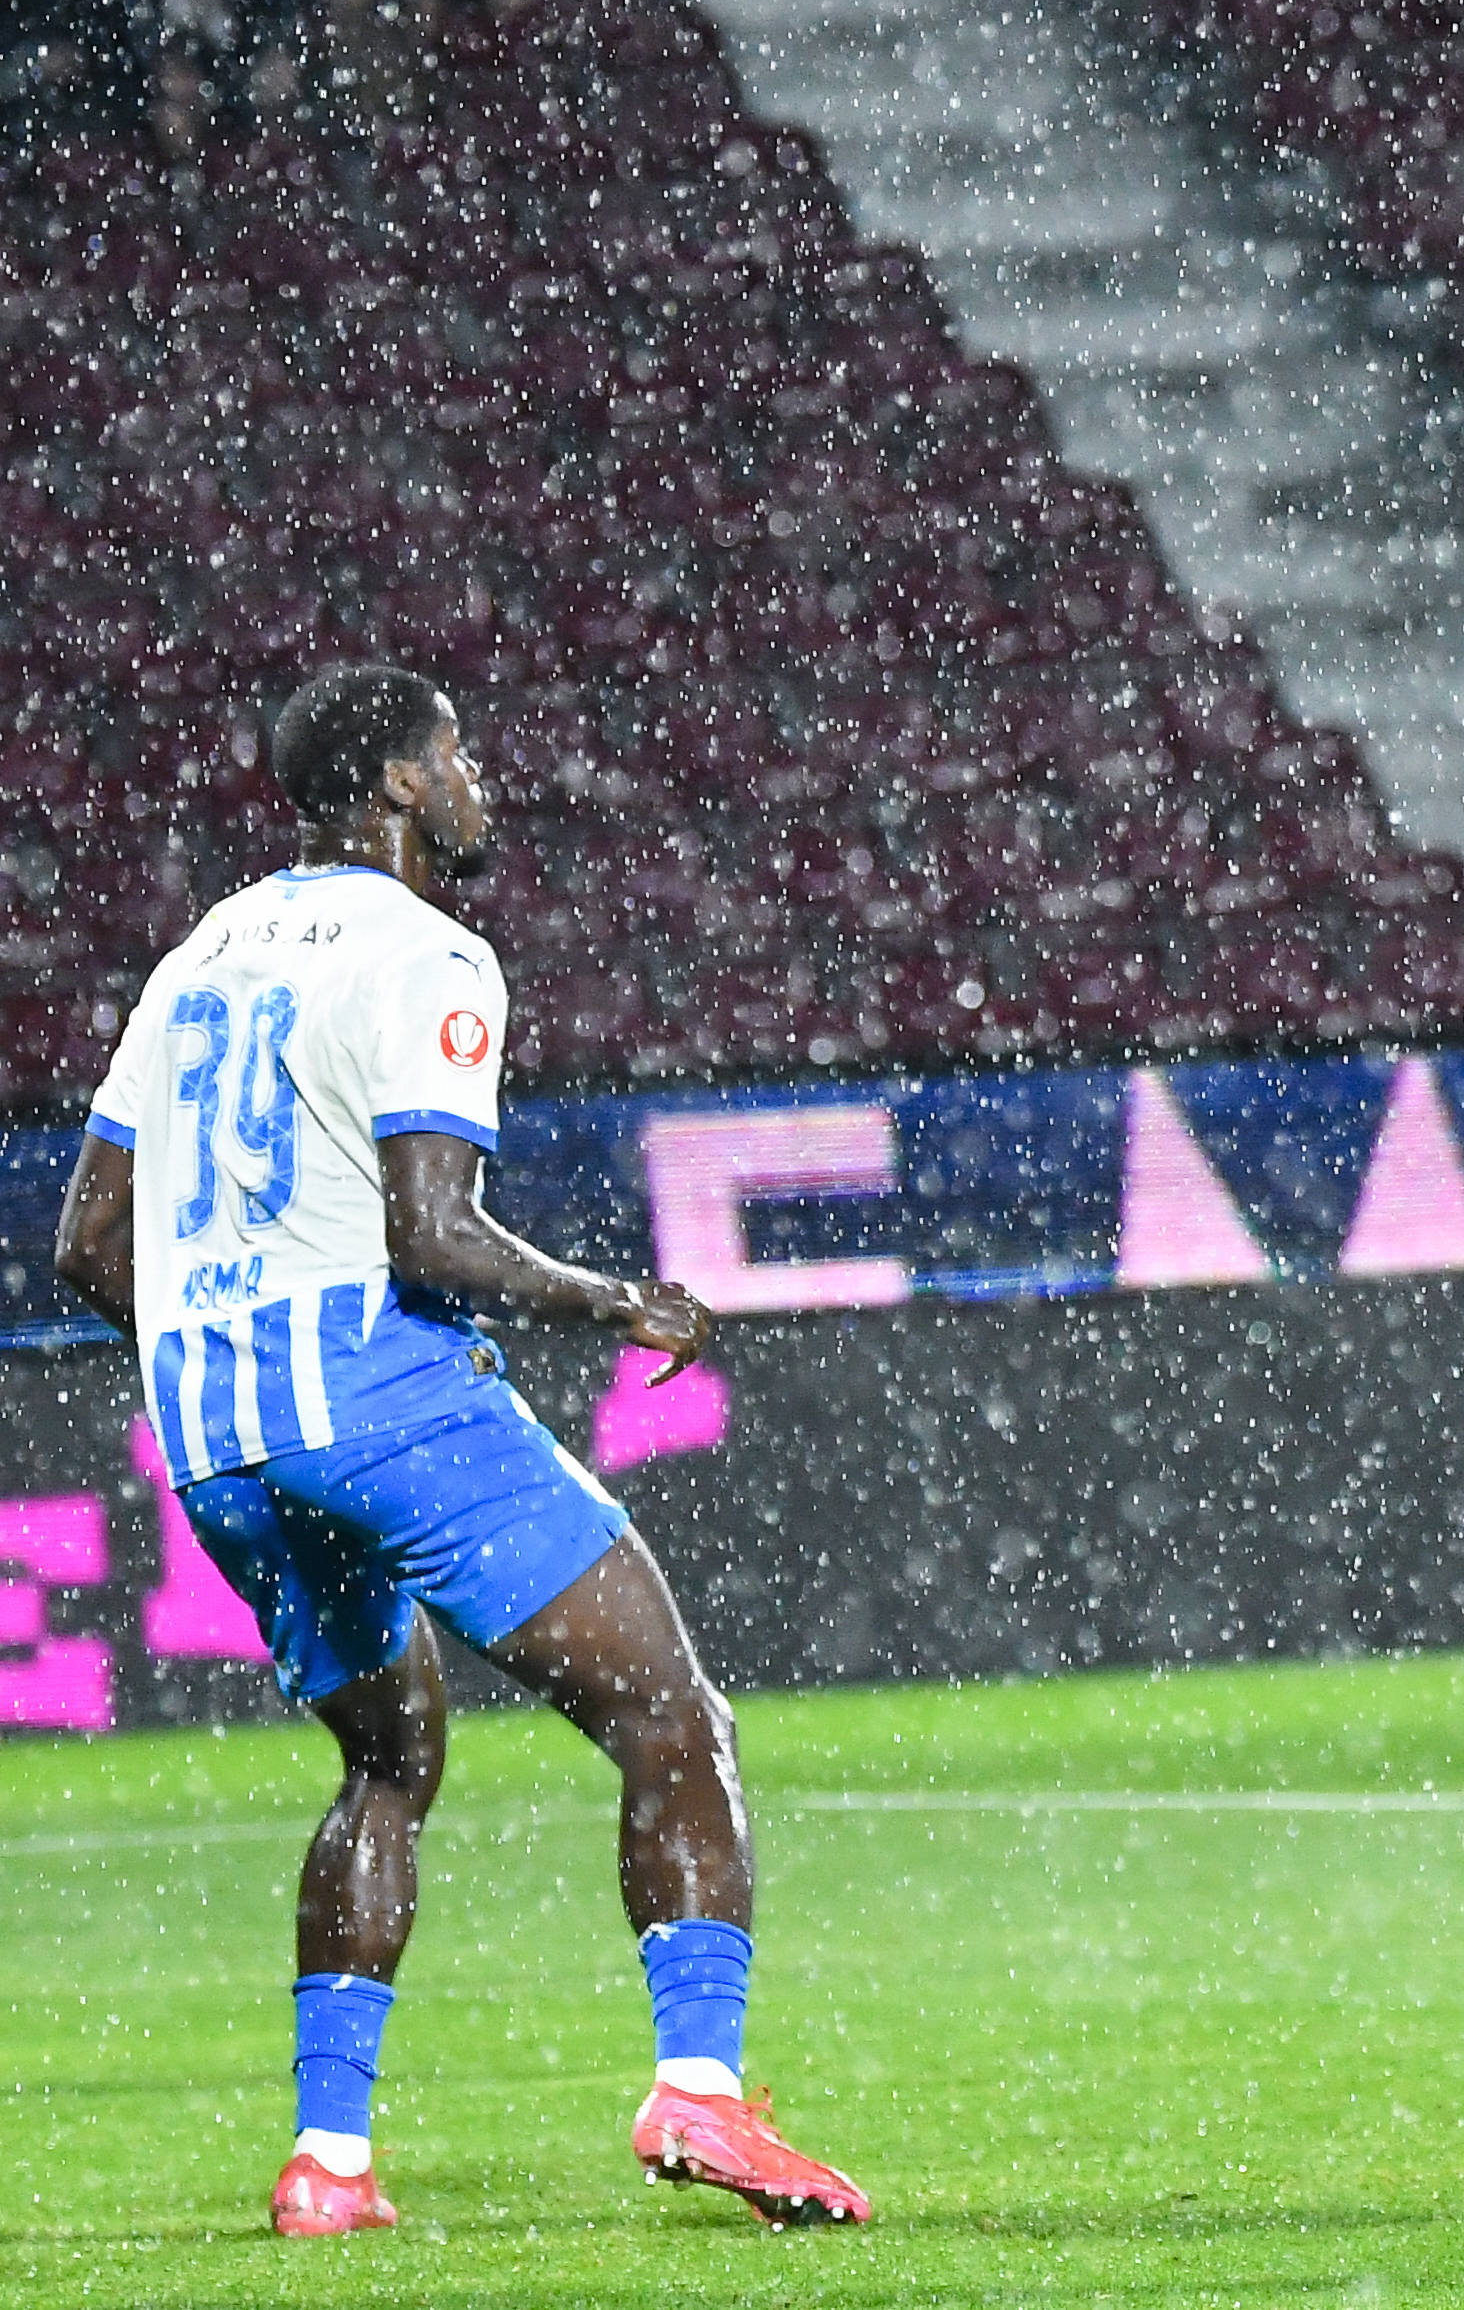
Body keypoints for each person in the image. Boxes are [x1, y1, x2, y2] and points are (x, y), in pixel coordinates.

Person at [45, 667, 867, 2237]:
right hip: (372, 1391)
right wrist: (615, 1296)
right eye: (458, 753)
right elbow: (432, 1237)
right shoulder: (429, 952)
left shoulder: (196, 958)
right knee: (671, 1713)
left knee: (384, 1760)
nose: (479, 777)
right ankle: (696, 2089)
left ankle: (327, 2164)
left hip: (216, 1426)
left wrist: (223, 1335)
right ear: (403, 785)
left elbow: (91, 1243)